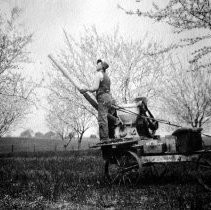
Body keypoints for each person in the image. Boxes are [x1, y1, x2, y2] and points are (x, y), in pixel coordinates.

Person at [80, 59, 112, 142]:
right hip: (108, 97)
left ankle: (104, 138)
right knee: (106, 117)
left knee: (102, 118)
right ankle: (108, 136)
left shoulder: (98, 74)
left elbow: (95, 88)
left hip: (102, 98)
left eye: (98, 64)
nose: (96, 65)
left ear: (102, 67)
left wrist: (86, 89)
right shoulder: (106, 76)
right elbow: (103, 88)